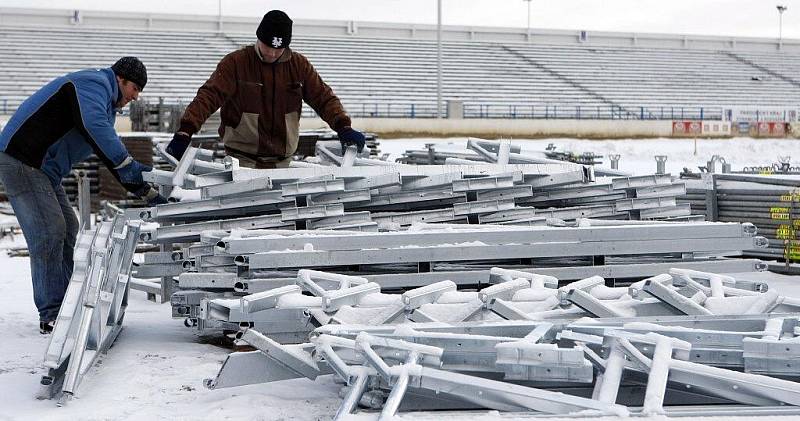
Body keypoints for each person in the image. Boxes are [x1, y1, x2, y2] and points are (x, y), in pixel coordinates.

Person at [0, 57, 166, 334]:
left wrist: (141, 188)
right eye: (134, 88)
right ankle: (52, 313)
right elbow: (97, 131)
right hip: (21, 159)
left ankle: (65, 304)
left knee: (69, 228)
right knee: (49, 231)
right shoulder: (93, 84)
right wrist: (132, 170)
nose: (136, 97)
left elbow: (104, 147)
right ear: (120, 79)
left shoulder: (104, 105)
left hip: (42, 170)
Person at [165, 9, 366, 168]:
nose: (271, 53)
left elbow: (323, 98)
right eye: (267, 46)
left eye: (278, 49)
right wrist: (185, 131)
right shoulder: (236, 63)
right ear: (259, 38)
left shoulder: (299, 66)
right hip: (241, 161)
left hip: (283, 162)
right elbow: (208, 96)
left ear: (285, 46)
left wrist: (343, 126)